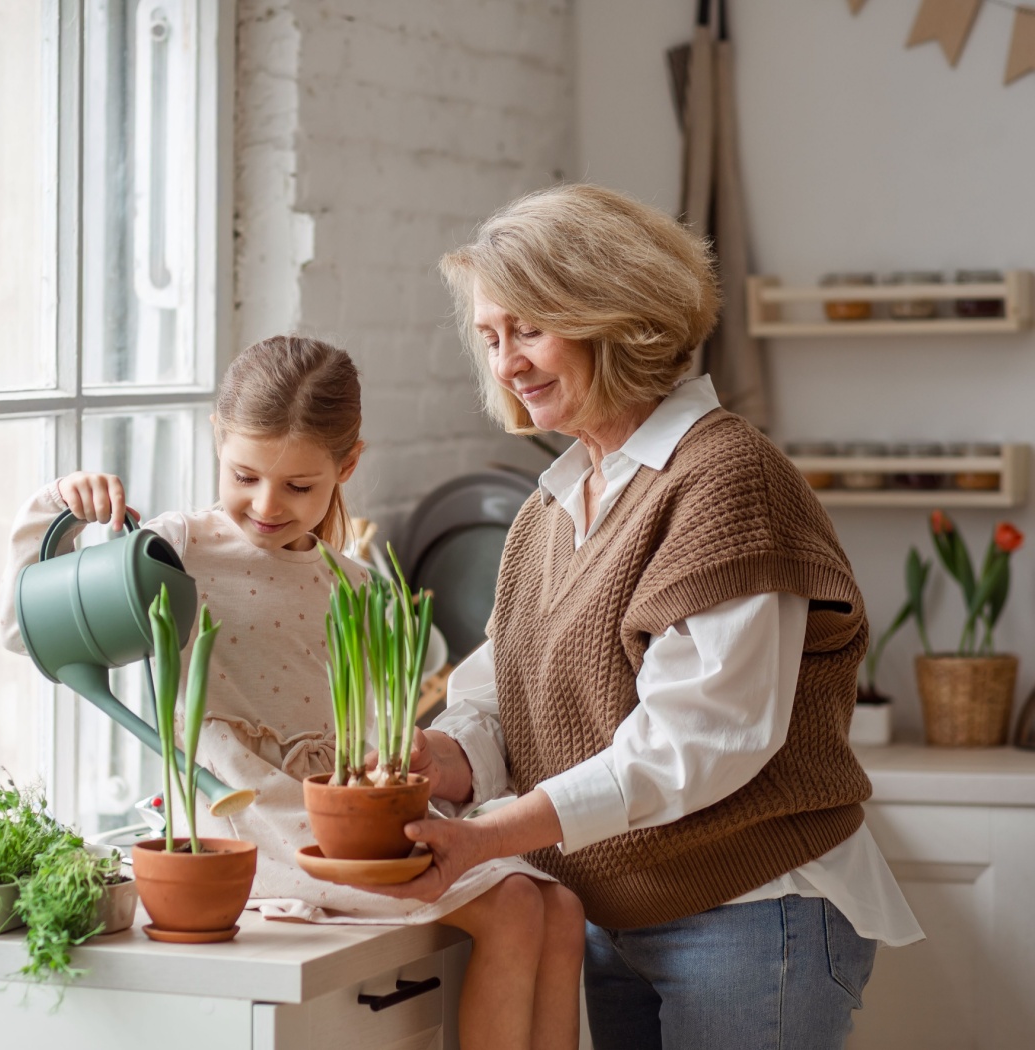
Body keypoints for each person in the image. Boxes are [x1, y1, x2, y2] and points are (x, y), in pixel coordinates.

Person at [370, 183, 923, 1050]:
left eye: (529, 328)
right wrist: (435, 757)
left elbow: (699, 738)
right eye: (490, 336)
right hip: (612, 912)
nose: (506, 361)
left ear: (612, 315)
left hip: (749, 914)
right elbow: (501, 700)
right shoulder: (550, 510)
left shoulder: (725, 481)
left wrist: (486, 837)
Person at [0, 335, 584, 1050]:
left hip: (339, 808)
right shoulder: (175, 549)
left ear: (347, 465)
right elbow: (26, 633)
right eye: (244, 475)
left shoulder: (353, 581)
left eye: (299, 486)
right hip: (250, 817)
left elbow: (370, 729)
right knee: (515, 905)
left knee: (559, 907)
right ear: (219, 440)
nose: (267, 504)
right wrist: (55, 511)